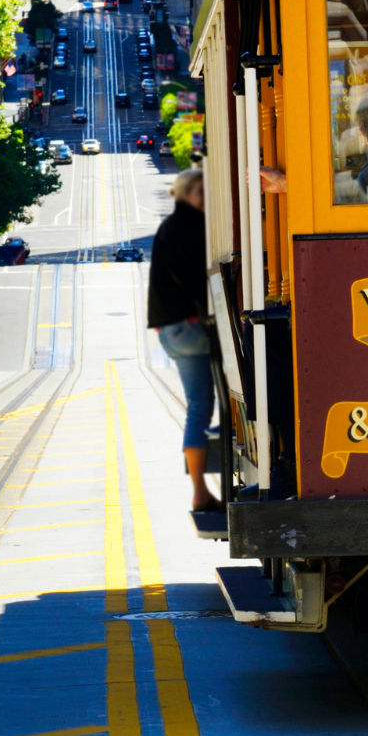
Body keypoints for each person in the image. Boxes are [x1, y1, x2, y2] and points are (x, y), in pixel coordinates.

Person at [148, 167, 221, 512]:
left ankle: (200, 490)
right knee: (215, 399)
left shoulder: (169, 227)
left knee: (198, 406)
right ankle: (201, 491)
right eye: (201, 193)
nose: (206, 200)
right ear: (186, 195)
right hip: (191, 328)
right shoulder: (191, 227)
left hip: (170, 332)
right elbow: (197, 279)